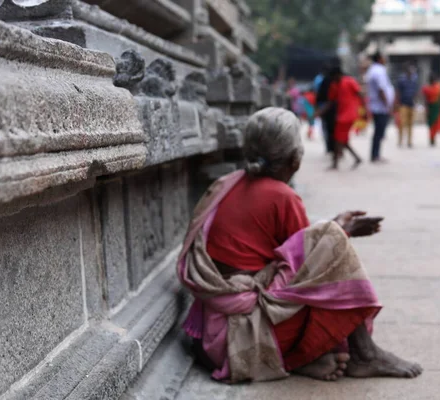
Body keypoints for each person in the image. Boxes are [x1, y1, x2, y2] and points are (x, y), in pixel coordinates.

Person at [177, 107, 423, 383]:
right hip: (243, 336)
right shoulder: (283, 196)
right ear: (295, 159)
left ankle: (309, 359)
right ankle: (363, 353)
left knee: (329, 238)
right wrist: (340, 231)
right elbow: (314, 262)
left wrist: (336, 229)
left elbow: (297, 248)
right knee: (332, 249)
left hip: (207, 335)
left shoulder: (226, 183)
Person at [320, 65, 364, 170]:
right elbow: (330, 102)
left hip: (348, 116)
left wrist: (364, 111)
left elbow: (360, 93)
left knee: (337, 139)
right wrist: (320, 112)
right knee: (342, 140)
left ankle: (335, 164)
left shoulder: (349, 81)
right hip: (342, 115)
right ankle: (357, 158)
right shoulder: (334, 85)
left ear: (338, 75)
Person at [365, 52, 394, 162]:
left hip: (377, 105)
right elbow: (381, 89)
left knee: (379, 131)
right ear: (379, 59)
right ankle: (375, 155)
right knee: (379, 131)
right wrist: (387, 104)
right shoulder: (379, 71)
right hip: (380, 106)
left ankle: (375, 154)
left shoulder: (373, 70)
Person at [395, 63, 419, 148]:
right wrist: (397, 103)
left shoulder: (414, 80)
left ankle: (409, 141)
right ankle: (400, 140)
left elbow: (416, 92)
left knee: (410, 123)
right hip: (403, 104)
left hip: (411, 104)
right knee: (402, 122)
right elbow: (398, 91)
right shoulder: (401, 80)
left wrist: (416, 101)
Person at [316, 63, 337, 154]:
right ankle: (335, 148)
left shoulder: (322, 79)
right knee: (334, 129)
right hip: (333, 107)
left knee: (327, 128)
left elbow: (319, 94)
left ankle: (329, 147)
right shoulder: (335, 81)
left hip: (325, 106)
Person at [421, 72, 440, 147]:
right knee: (431, 124)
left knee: (435, 123)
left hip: (436, 107)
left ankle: (433, 137)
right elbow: (425, 99)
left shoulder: (438, 87)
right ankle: (431, 137)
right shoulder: (426, 88)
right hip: (431, 107)